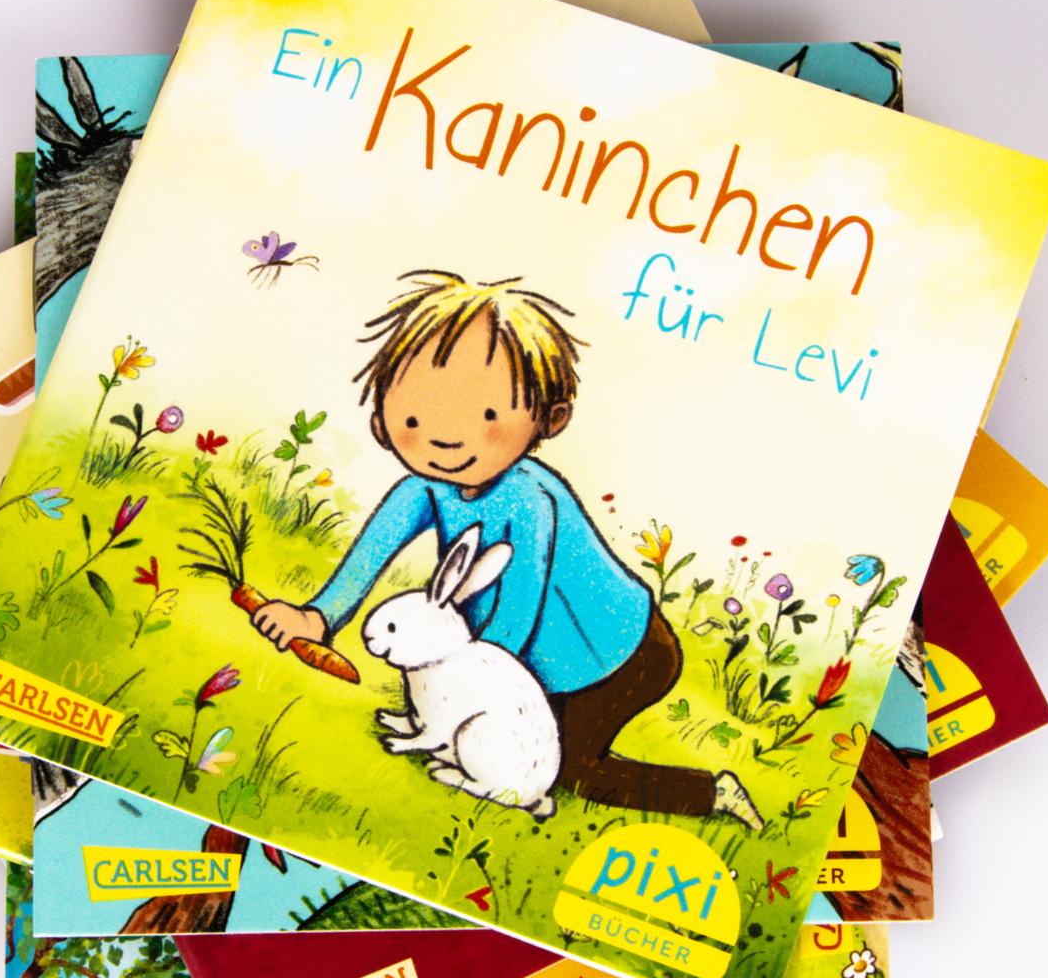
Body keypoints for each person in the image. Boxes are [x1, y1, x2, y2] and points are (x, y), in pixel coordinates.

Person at [250, 269, 763, 830]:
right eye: (417, 416)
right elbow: (371, 553)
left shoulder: (530, 499)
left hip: (622, 655)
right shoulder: (422, 489)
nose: (447, 436)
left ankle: (714, 793)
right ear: (381, 423)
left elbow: (521, 602)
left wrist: (473, 688)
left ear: (551, 419)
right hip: (537, 666)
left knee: (571, 771)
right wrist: (316, 618)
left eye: (487, 415)